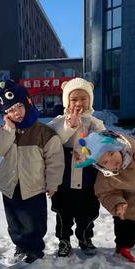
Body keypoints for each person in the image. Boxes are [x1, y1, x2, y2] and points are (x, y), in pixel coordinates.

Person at [0, 80, 64, 264]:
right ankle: (20, 245)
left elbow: (55, 161)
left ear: (28, 103)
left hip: (33, 186)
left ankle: (35, 249)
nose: (16, 113)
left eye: (18, 107)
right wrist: (8, 129)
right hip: (10, 185)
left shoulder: (43, 132)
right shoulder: (5, 131)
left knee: (34, 222)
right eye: (10, 111)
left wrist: (53, 183)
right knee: (14, 221)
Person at [76, 131, 135, 263]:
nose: (112, 161)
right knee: (125, 231)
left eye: (111, 154)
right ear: (100, 165)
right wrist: (117, 204)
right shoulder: (106, 177)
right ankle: (123, 248)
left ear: (117, 147)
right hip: (125, 211)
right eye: (105, 161)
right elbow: (106, 193)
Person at [48, 77, 106, 257]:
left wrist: (89, 151)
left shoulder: (95, 123)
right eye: (74, 99)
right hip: (64, 179)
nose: (79, 103)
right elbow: (51, 140)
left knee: (87, 213)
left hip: (88, 179)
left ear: (90, 100)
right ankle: (64, 240)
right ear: (67, 101)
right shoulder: (59, 121)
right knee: (63, 213)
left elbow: (103, 144)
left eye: (83, 98)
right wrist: (69, 126)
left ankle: (85, 237)